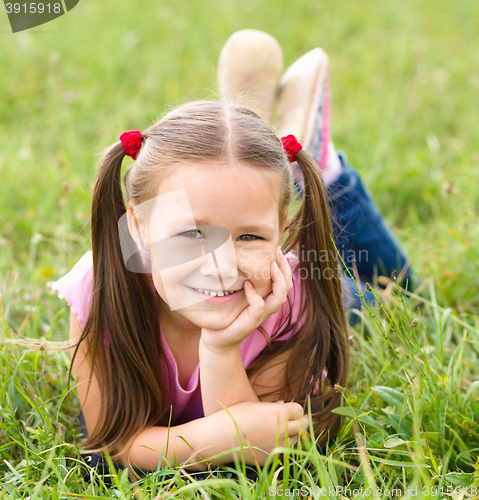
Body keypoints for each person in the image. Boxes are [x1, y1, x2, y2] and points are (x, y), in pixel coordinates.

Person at [52, 30, 415, 481]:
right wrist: (220, 436)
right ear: (139, 225)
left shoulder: (294, 295)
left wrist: (221, 349)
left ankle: (315, 162)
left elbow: (260, 455)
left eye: (249, 237)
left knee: (401, 295)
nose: (220, 265)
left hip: (326, 295)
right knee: (242, 187)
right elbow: (111, 443)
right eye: (191, 233)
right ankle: (253, 147)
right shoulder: (100, 285)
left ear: (282, 230)